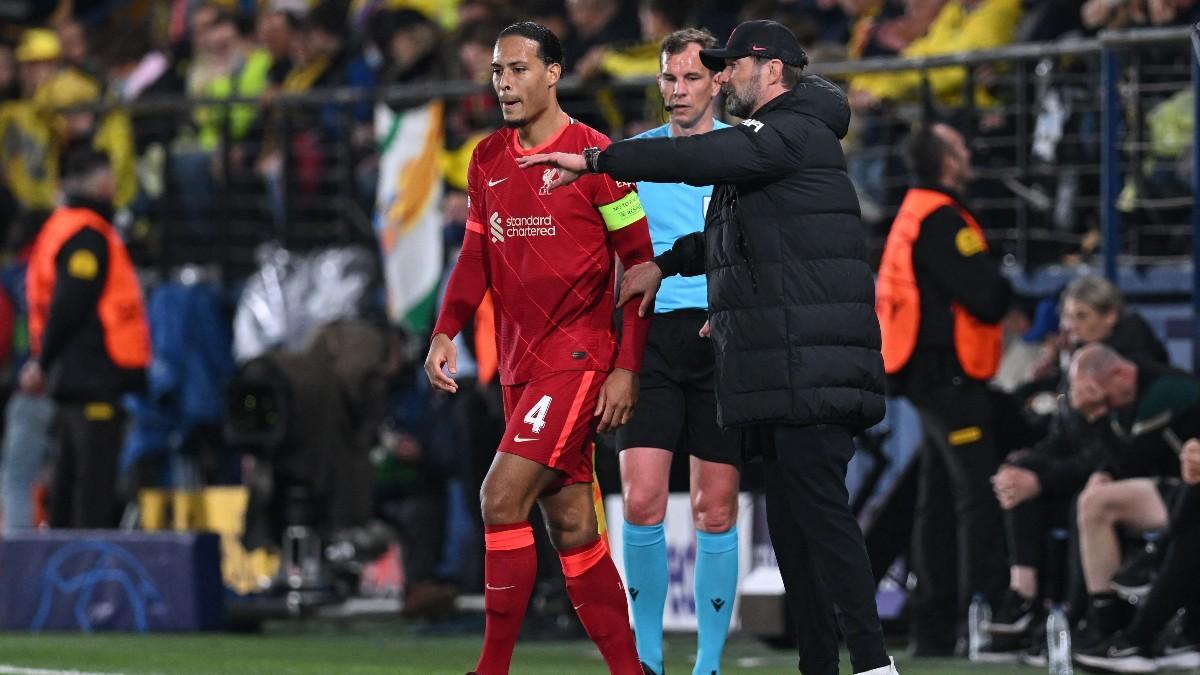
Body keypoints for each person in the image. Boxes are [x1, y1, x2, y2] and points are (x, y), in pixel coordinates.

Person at [519, 19, 899, 675]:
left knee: (822, 522)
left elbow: (692, 157)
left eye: (730, 67)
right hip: (785, 367)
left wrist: (596, 159)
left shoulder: (787, 133)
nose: (723, 78)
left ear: (771, 69)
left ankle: (872, 663)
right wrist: (666, 265)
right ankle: (822, 666)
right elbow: (726, 236)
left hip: (811, 363)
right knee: (794, 530)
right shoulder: (777, 143)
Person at [424, 22, 652, 675]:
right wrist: (446, 329)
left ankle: (490, 668)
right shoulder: (487, 158)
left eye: (519, 69)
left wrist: (626, 368)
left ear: (553, 72)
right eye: (498, 71)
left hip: (578, 359)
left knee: (500, 497)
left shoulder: (598, 158)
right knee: (574, 527)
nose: (504, 83)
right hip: (519, 366)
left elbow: (638, 267)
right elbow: (475, 255)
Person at [612, 27, 738, 675]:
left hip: (723, 338)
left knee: (716, 505)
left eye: (691, 78)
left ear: (718, 81)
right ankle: (647, 660)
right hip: (651, 336)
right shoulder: (632, 157)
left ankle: (709, 663)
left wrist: (736, 306)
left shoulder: (746, 153)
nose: (678, 91)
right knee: (642, 500)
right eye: (669, 78)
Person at [875, 122, 1012, 655]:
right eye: (960, 145)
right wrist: (1001, 285)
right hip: (947, 378)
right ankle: (989, 616)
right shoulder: (942, 219)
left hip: (923, 376)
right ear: (948, 163)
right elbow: (986, 298)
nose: (970, 151)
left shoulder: (913, 212)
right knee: (979, 496)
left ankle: (933, 627)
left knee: (935, 501)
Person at [986, 275, 1168, 653]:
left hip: (1135, 473)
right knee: (1020, 481)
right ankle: (1025, 602)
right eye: (1068, 317)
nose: (1070, 326)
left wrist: (1043, 477)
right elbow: (1064, 438)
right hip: (1091, 468)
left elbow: (1115, 452)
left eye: (1081, 316)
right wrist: (1029, 468)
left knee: (1084, 501)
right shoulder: (1080, 357)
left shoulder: (1123, 366)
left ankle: (1081, 616)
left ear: (1110, 316)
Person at [24, 147, 150, 528]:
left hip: (74, 378)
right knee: (91, 492)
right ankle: (86, 574)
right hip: (92, 377)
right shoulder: (86, 234)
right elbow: (69, 305)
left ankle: (63, 573)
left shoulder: (64, 227)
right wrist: (42, 362)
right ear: (102, 183)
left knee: (68, 483)